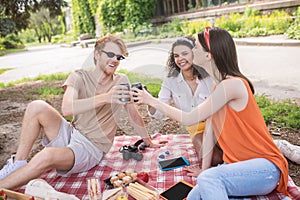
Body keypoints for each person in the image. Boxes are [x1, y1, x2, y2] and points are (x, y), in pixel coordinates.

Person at [132, 27, 290, 199]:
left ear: (209, 55)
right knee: (194, 194)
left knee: (208, 179)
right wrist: (203, 169)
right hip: (238, 167)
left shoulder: (232, 85)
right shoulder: (217, 86)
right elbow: (209, 131)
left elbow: (191, 117)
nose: (192, 51)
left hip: (264, 168)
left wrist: (151, 100)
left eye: (196, 48)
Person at [0, 34, 163, 190]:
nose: (115, 60)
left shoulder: (122, 81)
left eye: (119, 57)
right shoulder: (79, 76)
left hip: (92, 147)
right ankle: (18, 163)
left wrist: (148, 140)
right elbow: (67, 109)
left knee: (46, 155)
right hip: (72, 133)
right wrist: (106, 97)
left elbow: (134, 115)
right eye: (111, 54)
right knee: (36, 106)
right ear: (97, 54)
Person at [147, 37, 223, 175]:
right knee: (215, 158)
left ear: (195, 53)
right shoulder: (171, 80)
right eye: (176, 55)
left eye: (184, 53)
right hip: (196, 129)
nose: (180, 58)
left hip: (217, 123)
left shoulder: (208, 75)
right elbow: (159, 111)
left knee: (230, 150)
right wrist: (149, 101)